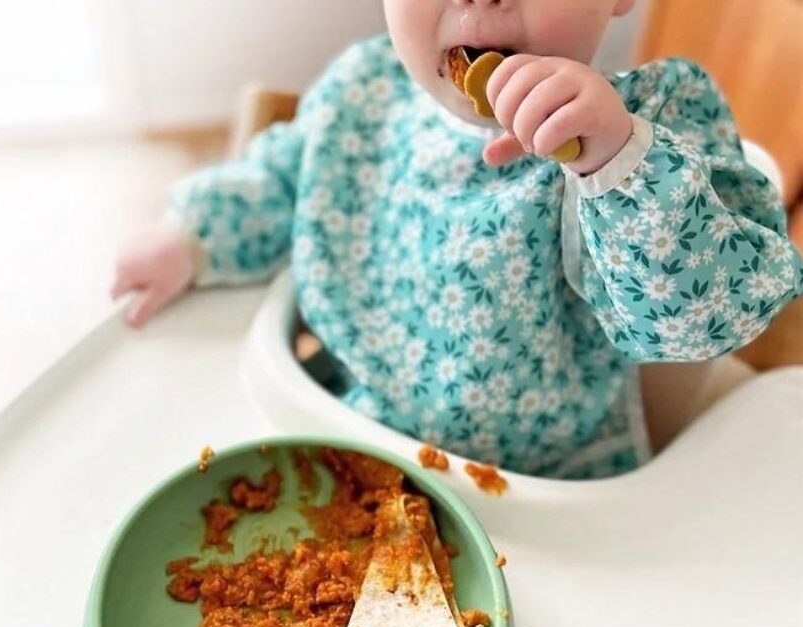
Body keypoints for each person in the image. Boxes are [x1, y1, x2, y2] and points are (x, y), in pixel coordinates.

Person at [112, 0, 803, 479]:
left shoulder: (655, 125)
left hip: (554, 482)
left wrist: (614, 161)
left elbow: (705, 318)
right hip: (355, 435)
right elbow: (283, 179)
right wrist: (193, 235)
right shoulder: (363, 91)